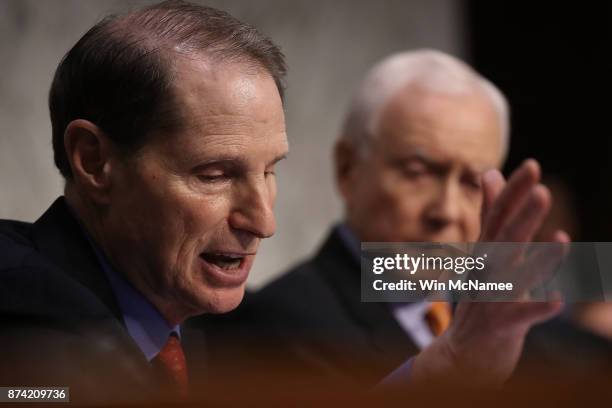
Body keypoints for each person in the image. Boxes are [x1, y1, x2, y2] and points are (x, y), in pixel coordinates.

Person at [0, 2, 566, 404]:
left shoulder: (176, 320)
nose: (263, 221)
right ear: (94, 160)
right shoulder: (32, 330)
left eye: (270, 171)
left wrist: (455, 365)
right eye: (215, 174)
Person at [205, 50, 569, 387]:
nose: (446, 211)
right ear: (348, 169)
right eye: (418, 172)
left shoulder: (496, 317)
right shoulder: (275, 329)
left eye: (472, 182)